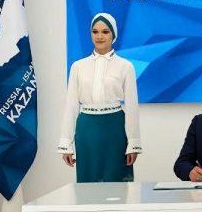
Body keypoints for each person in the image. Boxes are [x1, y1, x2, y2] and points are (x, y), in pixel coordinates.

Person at [58, 13, 141, 182]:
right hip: (87, 129)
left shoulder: (125, 66)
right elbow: (71, 105)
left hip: (115, 129)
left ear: (113, 35)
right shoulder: (78, 66)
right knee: (87, 183)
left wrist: (133, 143)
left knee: (117, 182)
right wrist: (66, 143)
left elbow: (132, 106)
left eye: (105, 32)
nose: (99, 36)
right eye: (95, 32)